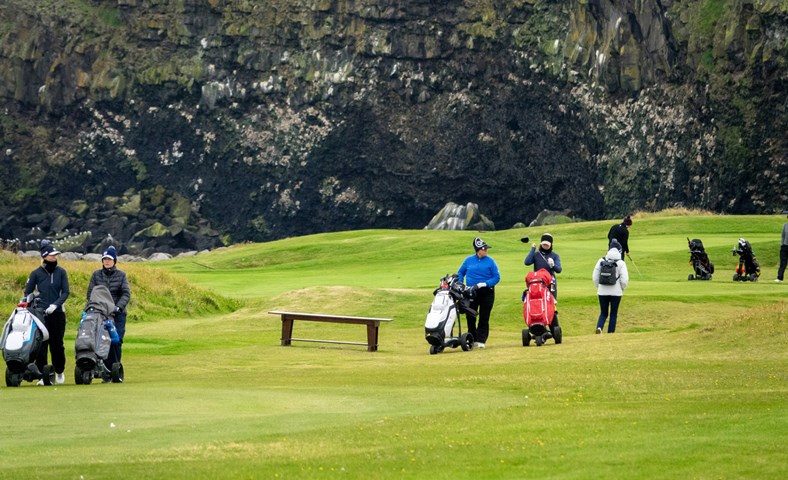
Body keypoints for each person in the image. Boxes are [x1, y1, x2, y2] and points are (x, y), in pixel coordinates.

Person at [24, 240, 69, 385]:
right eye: (52, 256)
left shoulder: (61, 272)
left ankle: (59, 371)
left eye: (56, 256)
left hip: (57, 313)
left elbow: (66, 292)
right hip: (39, 314)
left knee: (57, 344)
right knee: (41, 346)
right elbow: (28, 292)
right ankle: (44, 376)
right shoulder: (36, 273)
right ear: (44, 256)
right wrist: (31, 303)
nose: (54, 258)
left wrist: (55, 305)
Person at [87, 246, 131, 378]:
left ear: (114, 261)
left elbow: (126, 294)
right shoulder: (96, 275)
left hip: (117, 314)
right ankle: (105, 371)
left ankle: (115, 369)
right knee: (102, 340)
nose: (106, 261)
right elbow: (90, 293)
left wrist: (118, 307)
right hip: (101, 314)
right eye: (104, 259)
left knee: (116, 341)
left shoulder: (121, 275)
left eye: (109, 259)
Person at [457, 237, 500, 349]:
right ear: (478, 250)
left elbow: (496, 277)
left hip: (487, 292)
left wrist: (484, 284)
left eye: (486, 248)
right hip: (471, 291)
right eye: (484, 249)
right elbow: (460, 273)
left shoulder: (491, 261)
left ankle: (481, 340)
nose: (486, 250)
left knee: (484, 316)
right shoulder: (468, 260)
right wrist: (461, 284)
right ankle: (472, 338)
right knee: (470, 315)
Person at [525, 233, 563, 334]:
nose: (545, 246)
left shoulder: (555, 256)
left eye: (547, 244)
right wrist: (532, 249)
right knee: (538, 304)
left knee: (551, 305)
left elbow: (559, 270)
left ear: (551, 244)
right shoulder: (537, 254)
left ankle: (554, 331)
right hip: (538, 284)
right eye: (543, 244)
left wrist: (553, 265)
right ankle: (540, 329)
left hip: (551, 284)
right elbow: (527, 262)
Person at [592, 245, 629, 333]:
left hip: (602, 292)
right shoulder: (621, 263)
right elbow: (624, 280)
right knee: (613, 313)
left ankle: (599, 328)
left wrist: (599, 286)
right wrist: (622, 288)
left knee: (603, 313)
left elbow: (595, 277)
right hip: (616, 293)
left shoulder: (601, 261)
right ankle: (610, 333)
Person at [777, 211, 788, 282]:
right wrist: (782, 244)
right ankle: (780, 278)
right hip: (785, 246)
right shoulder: (785, 225)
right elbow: (783, 236)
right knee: (782, 263)